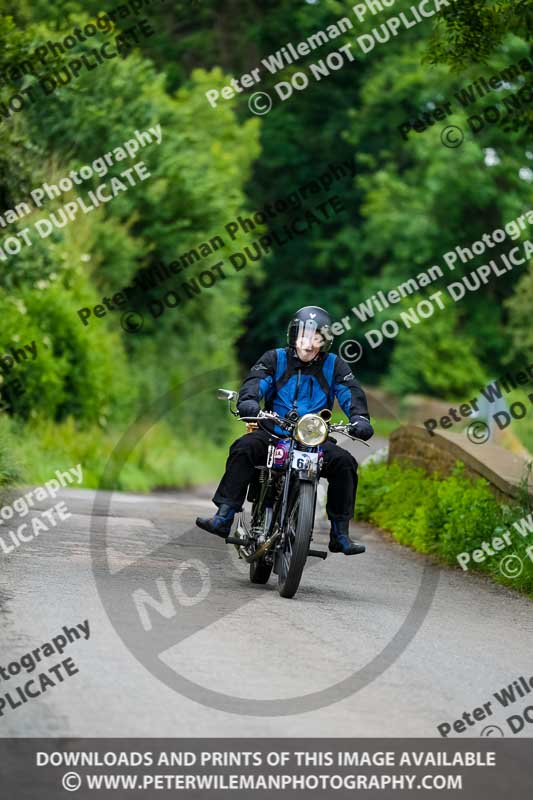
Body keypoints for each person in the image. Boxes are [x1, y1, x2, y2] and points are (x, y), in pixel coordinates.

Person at [196, 306, 374, 555]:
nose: (309, 344)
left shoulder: (335, 366)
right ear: (293, 336)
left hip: (312, 439)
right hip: (273, 433)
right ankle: (224, 515)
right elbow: (256, 383)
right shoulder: (274, 359)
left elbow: (350, 393)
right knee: (244, 447)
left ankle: (340, 533)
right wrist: (249, 401)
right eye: (304, 336)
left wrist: (360, 419)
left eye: (316, 338)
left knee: (345, 463)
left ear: (325, 342)